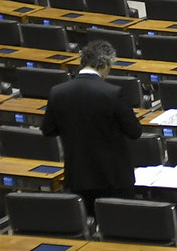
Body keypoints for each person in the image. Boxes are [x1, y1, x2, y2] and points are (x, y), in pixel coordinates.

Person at [41, 40, 143, 210]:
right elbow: (135, 132)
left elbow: (48, 130)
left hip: (77, 177)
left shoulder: (57, 92)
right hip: (113, 180)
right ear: (104, 64)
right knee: (117, 229)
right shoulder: (113, 93)